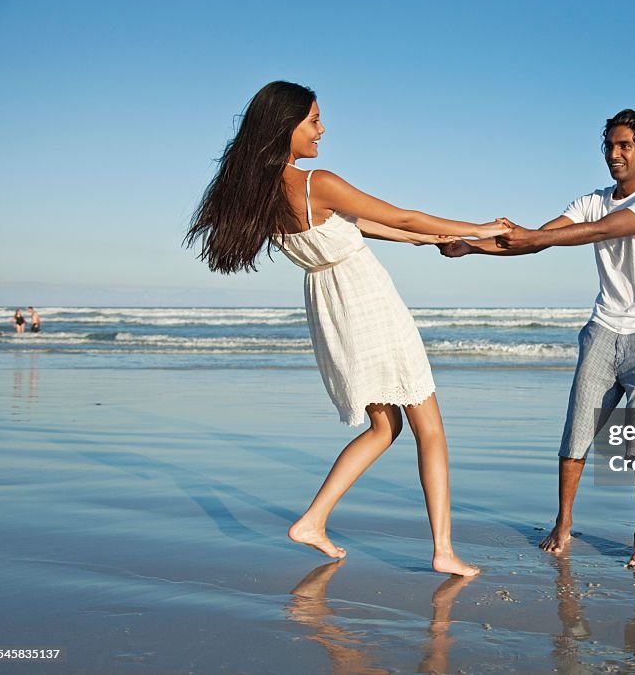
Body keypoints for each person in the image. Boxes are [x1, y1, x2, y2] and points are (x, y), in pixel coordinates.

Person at [185, 81, 508, 576]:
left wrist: (438, 239)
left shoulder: (262, 196)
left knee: (386, 427)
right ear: (283, 127)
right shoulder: (318, 182)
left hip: (333, 312)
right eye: (313, 120)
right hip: (370, 304)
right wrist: (479, 228)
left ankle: (313, 520)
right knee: (431, 429)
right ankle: (442, 549)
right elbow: (403, 214)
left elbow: (371, 228)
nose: (322, 129)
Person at [439, 109, 635, 568]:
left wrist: (533, 234)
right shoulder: (591, 199)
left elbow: (603, 229)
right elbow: (538, 240)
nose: (614, 153)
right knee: (575, 433)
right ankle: (563, 523)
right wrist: (472, 246)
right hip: (603, 329)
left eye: (624, 145)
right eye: (609, 144)